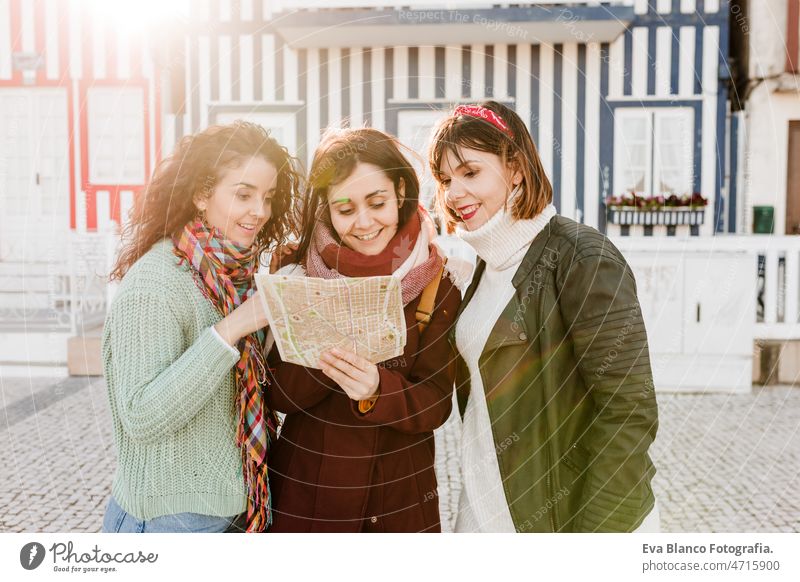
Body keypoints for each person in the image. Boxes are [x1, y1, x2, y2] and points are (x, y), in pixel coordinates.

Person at [429, 101, 660, 532]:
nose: (453, 193)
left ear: (515, 167)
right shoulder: (488, 263)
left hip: (562, 521)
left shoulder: (582, 257)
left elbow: (629, 412)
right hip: (484, 508)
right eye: (445, 179)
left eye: (470, 172)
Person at [101, 121, 301, 533]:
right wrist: (232, 328)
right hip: (169, 522)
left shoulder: (234, 277)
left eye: (268, 197)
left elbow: (241, 388)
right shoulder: (156, 282)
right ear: (200, 194)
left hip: (238, 510)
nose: (260, 211)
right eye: (244, 194)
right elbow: (141, 415)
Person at [266, 128, 461, 532]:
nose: (364, 222)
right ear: (327, 208)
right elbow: (277, 393)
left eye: (377, 203)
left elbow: (437, 402)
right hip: (309, 497)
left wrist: (378, 390)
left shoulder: (436, 280)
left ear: (401, 191)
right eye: (346, 208)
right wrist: (331, 343)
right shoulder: (295, 271)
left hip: (398, 501)